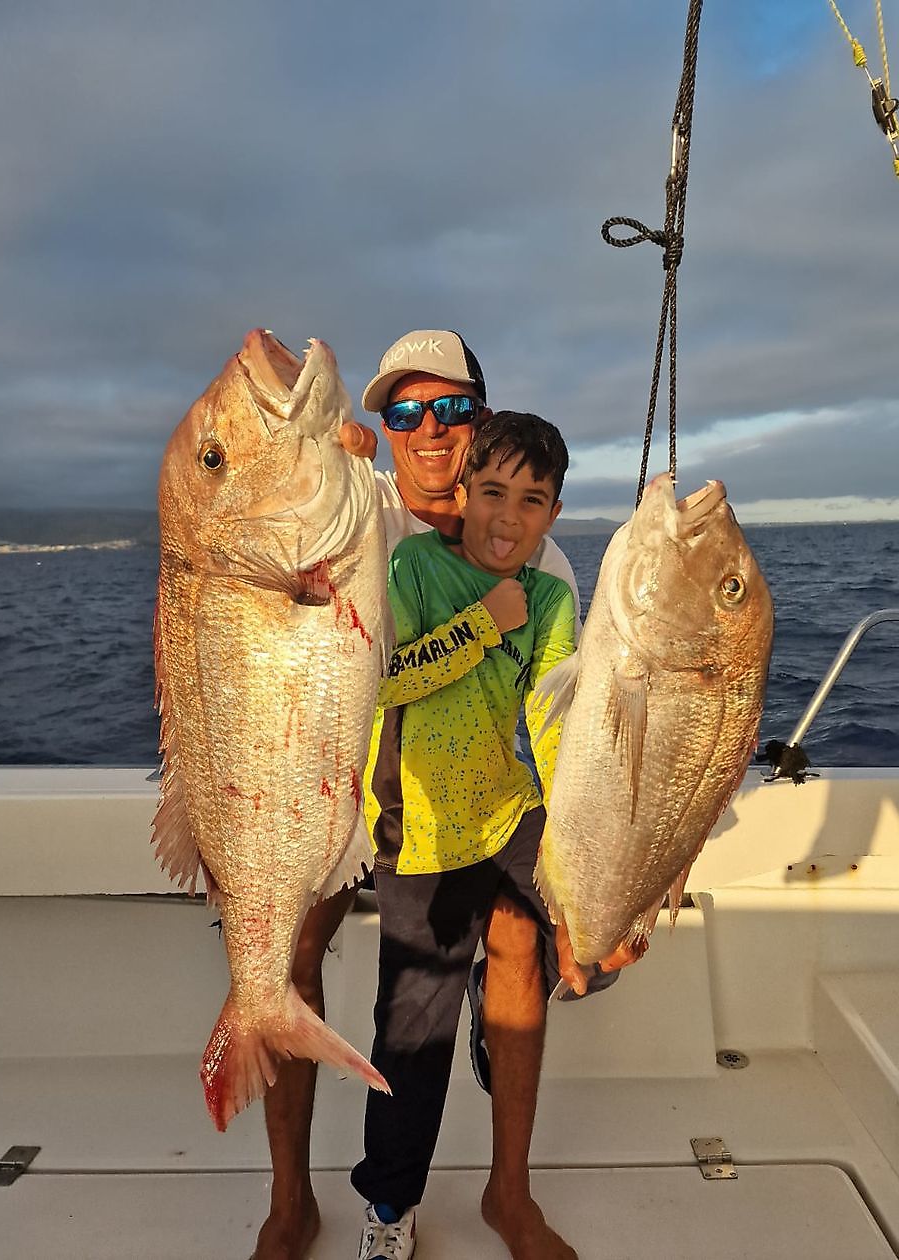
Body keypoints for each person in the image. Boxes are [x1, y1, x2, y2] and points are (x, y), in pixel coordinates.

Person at [250, 333, 635, 1260]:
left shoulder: (545, 571)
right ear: (384, 429)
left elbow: (552, 720)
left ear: (481, 423)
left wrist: (598, 869)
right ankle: (294, 1200)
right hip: (351, 793)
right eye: (405, 411)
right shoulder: (358, 502)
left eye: (451, 409)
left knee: (539, 930)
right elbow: (269, 519)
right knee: (293, 953)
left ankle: (509, 1191)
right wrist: (314, 448)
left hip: (480, 803)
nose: (429, 429)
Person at [353, 411, 582, 1260]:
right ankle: (388, 1206)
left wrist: (575, 849)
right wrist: (483, 620)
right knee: (412, 1034)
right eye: (492, 492)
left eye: (531, 500)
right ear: (463, 494)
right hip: (419, 833)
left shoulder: (550, 597)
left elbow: (550, 726)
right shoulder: (411, 567)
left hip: (505, 807)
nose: (507, 518)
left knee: (589, 931)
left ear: (552, 513)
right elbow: (380, 683)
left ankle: (506, 994)